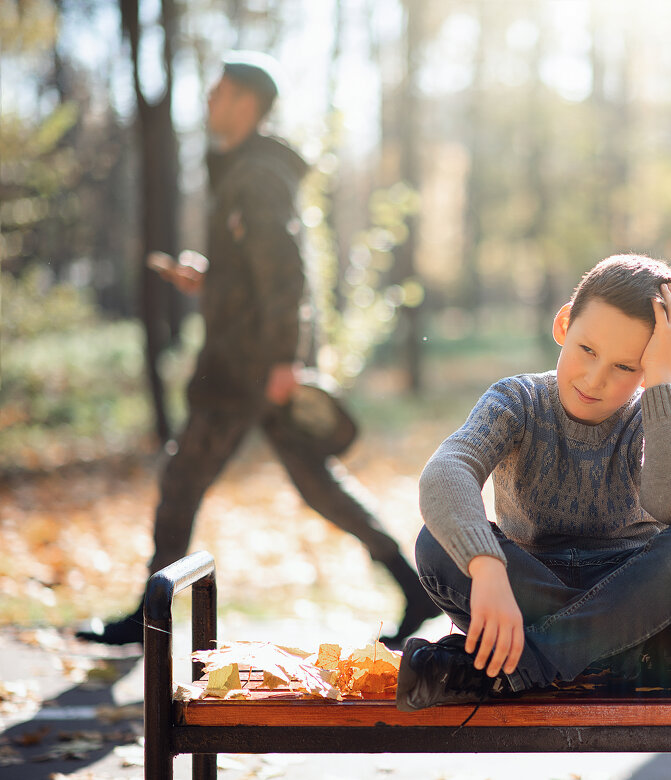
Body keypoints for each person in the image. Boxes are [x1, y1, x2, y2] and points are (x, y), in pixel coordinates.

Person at [78, 52, 438, 648]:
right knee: (314, 485)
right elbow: (255, 271)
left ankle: (149, 620)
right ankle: (413, 584)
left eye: (219, 92)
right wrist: (210, 277)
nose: (210, 101)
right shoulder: (244, 171)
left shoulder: (257, 175)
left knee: (182, 479)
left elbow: (286, 272)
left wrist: (281, 360)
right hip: (250, 361)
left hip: (245, 367)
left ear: (247, 102)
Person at [395, 255, 671, 711]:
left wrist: (662, 380)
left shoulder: (652, 412)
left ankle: (518, 669)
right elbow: (449, 470)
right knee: (437, 543)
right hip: (525, 592)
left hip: (635, 595)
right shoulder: (517, 400)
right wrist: (486, 565)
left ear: (648, 367)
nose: (595, 378)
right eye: (587, 350)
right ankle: (642, 659)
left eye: (626, 367)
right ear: (563, 325)